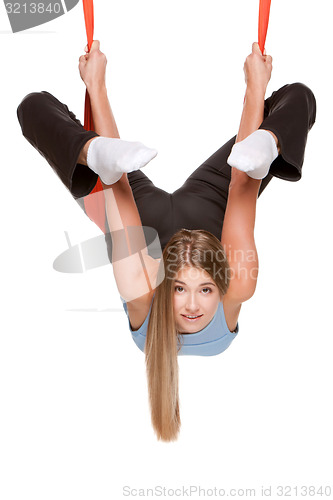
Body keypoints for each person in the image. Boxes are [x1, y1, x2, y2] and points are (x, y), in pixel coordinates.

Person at [17, 41, 316, 442]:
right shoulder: (237, 283)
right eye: (201, 289)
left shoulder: (142, 292)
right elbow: (243, 188)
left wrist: (97, 88)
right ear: (220, 284)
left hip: (145, 228)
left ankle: (88, 150)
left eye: (180, 290)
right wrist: (255, 91)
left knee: (33, 107)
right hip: (214, 215)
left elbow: (117, 184)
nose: (193, 304)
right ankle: (271, 144)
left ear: (164, 284)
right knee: (298, 97)